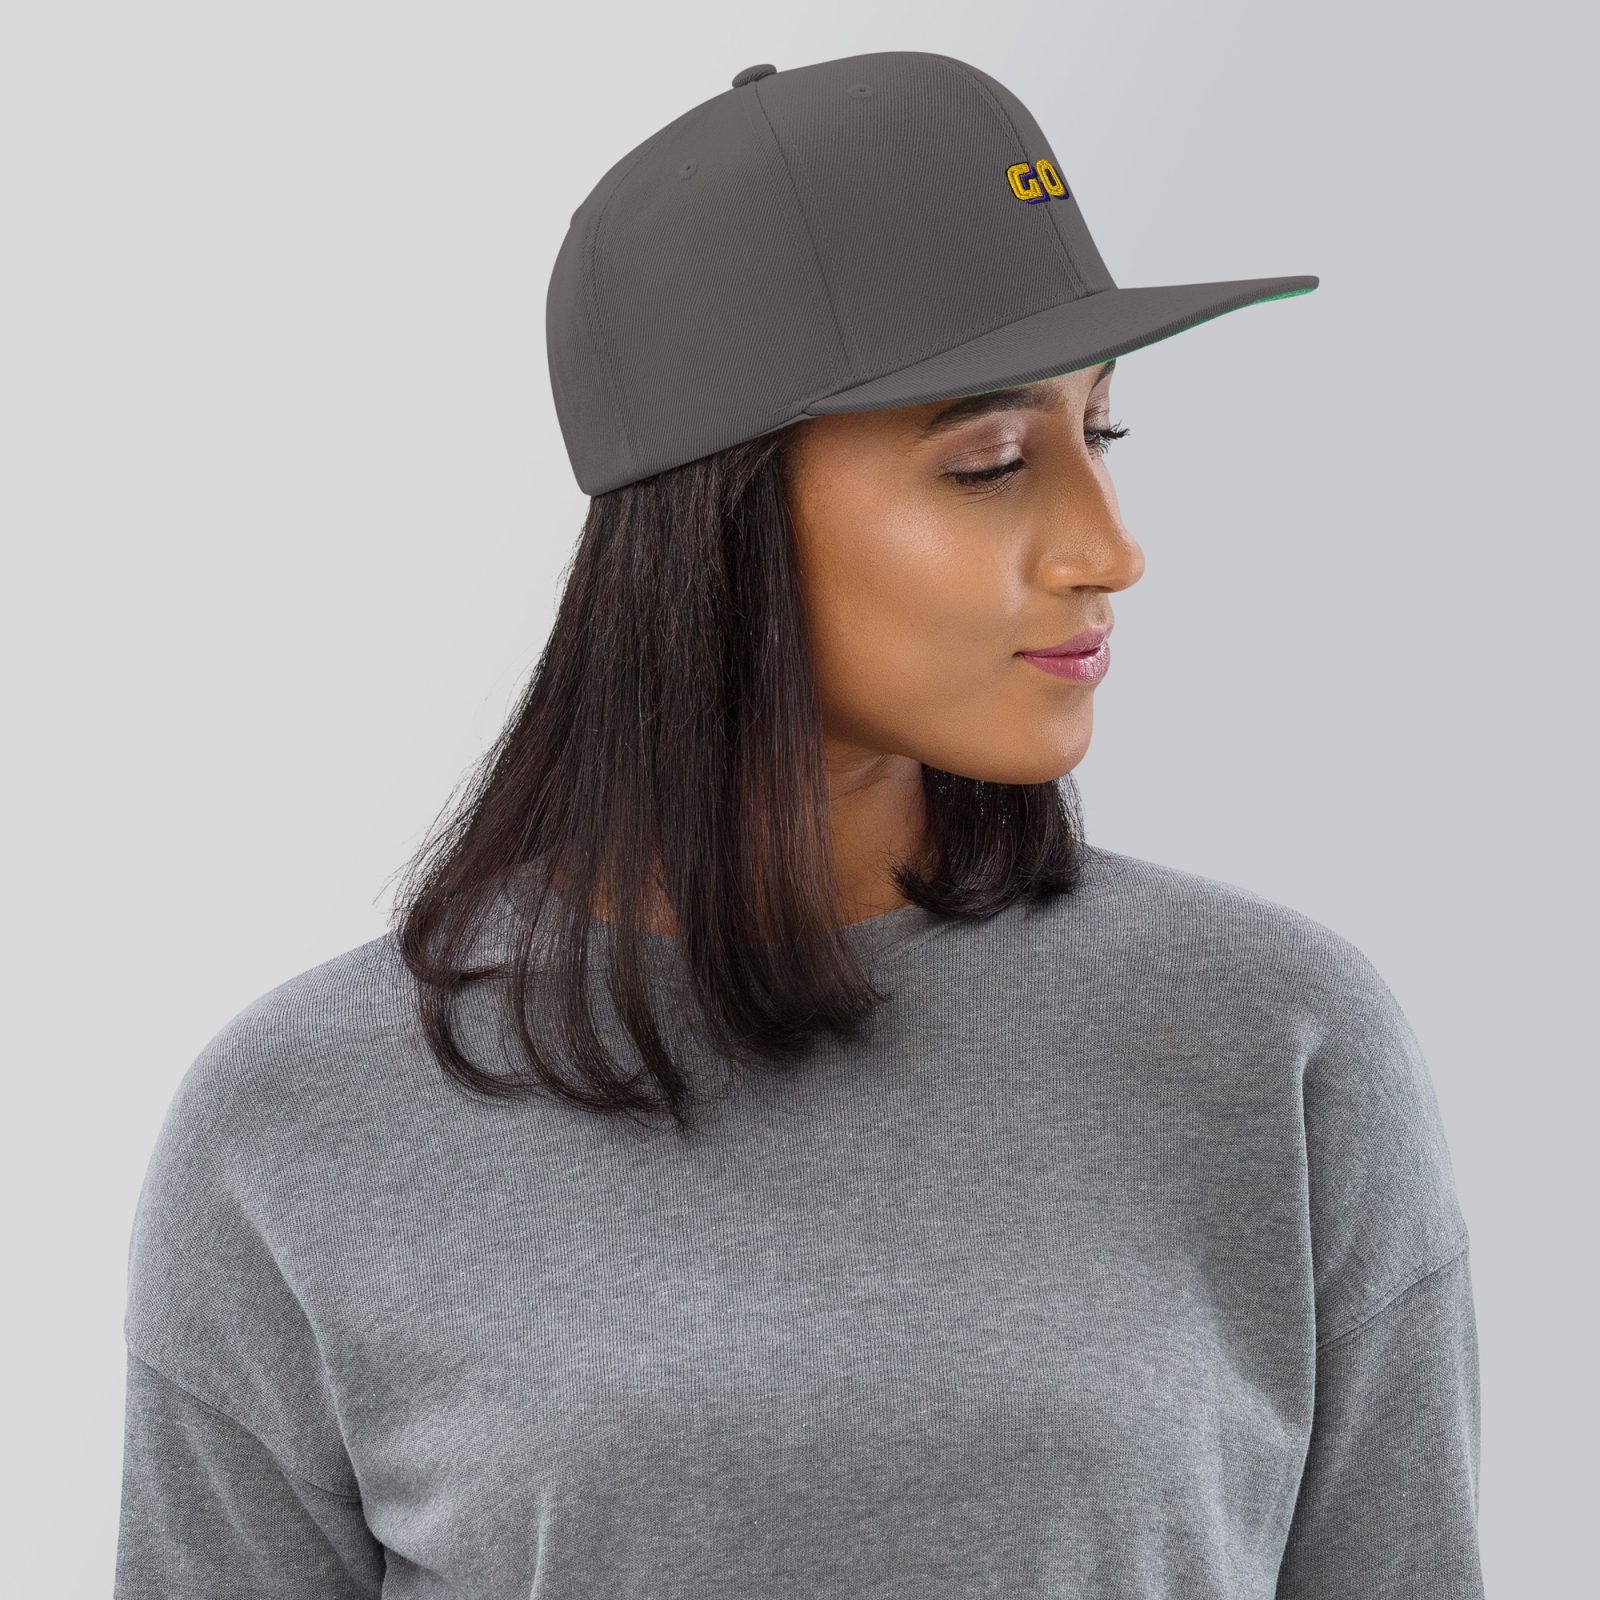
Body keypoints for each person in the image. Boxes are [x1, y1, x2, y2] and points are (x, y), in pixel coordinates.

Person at [114, 49, 1484, 1599]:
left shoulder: (1278, 1045)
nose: (1110, 548)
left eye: (1101, 434)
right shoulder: (299, 1121)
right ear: (722, 515)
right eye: (991, 462)